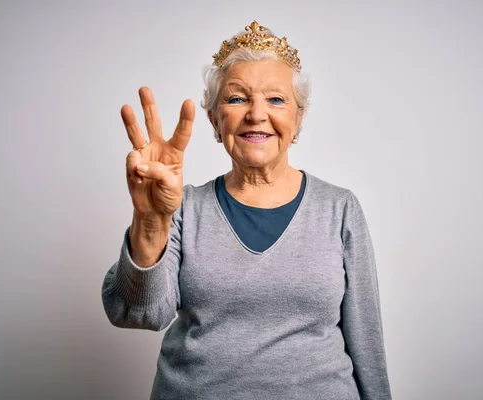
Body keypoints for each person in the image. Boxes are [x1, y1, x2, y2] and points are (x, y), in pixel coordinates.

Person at [102, 21, 392, 400]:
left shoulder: (338, 209)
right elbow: (138, 314)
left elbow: (366, 340)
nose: (256, 114)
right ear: (214, 119)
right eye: (237, 98)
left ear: (298, 117)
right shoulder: (183, 208)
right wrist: (151, 220)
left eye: (276, 99)